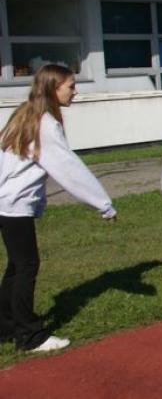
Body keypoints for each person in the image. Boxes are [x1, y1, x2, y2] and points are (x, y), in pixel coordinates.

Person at [0, 64, 118, 353]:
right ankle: (29, 335)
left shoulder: (25, 114)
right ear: (54, 89)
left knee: (17, 266)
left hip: (5, 201)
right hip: (13, 204)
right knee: (26, 265)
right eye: (71, 86)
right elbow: (69, 169)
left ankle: (5, 326)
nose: (75, 92)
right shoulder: (46, 124)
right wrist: (103, 203)